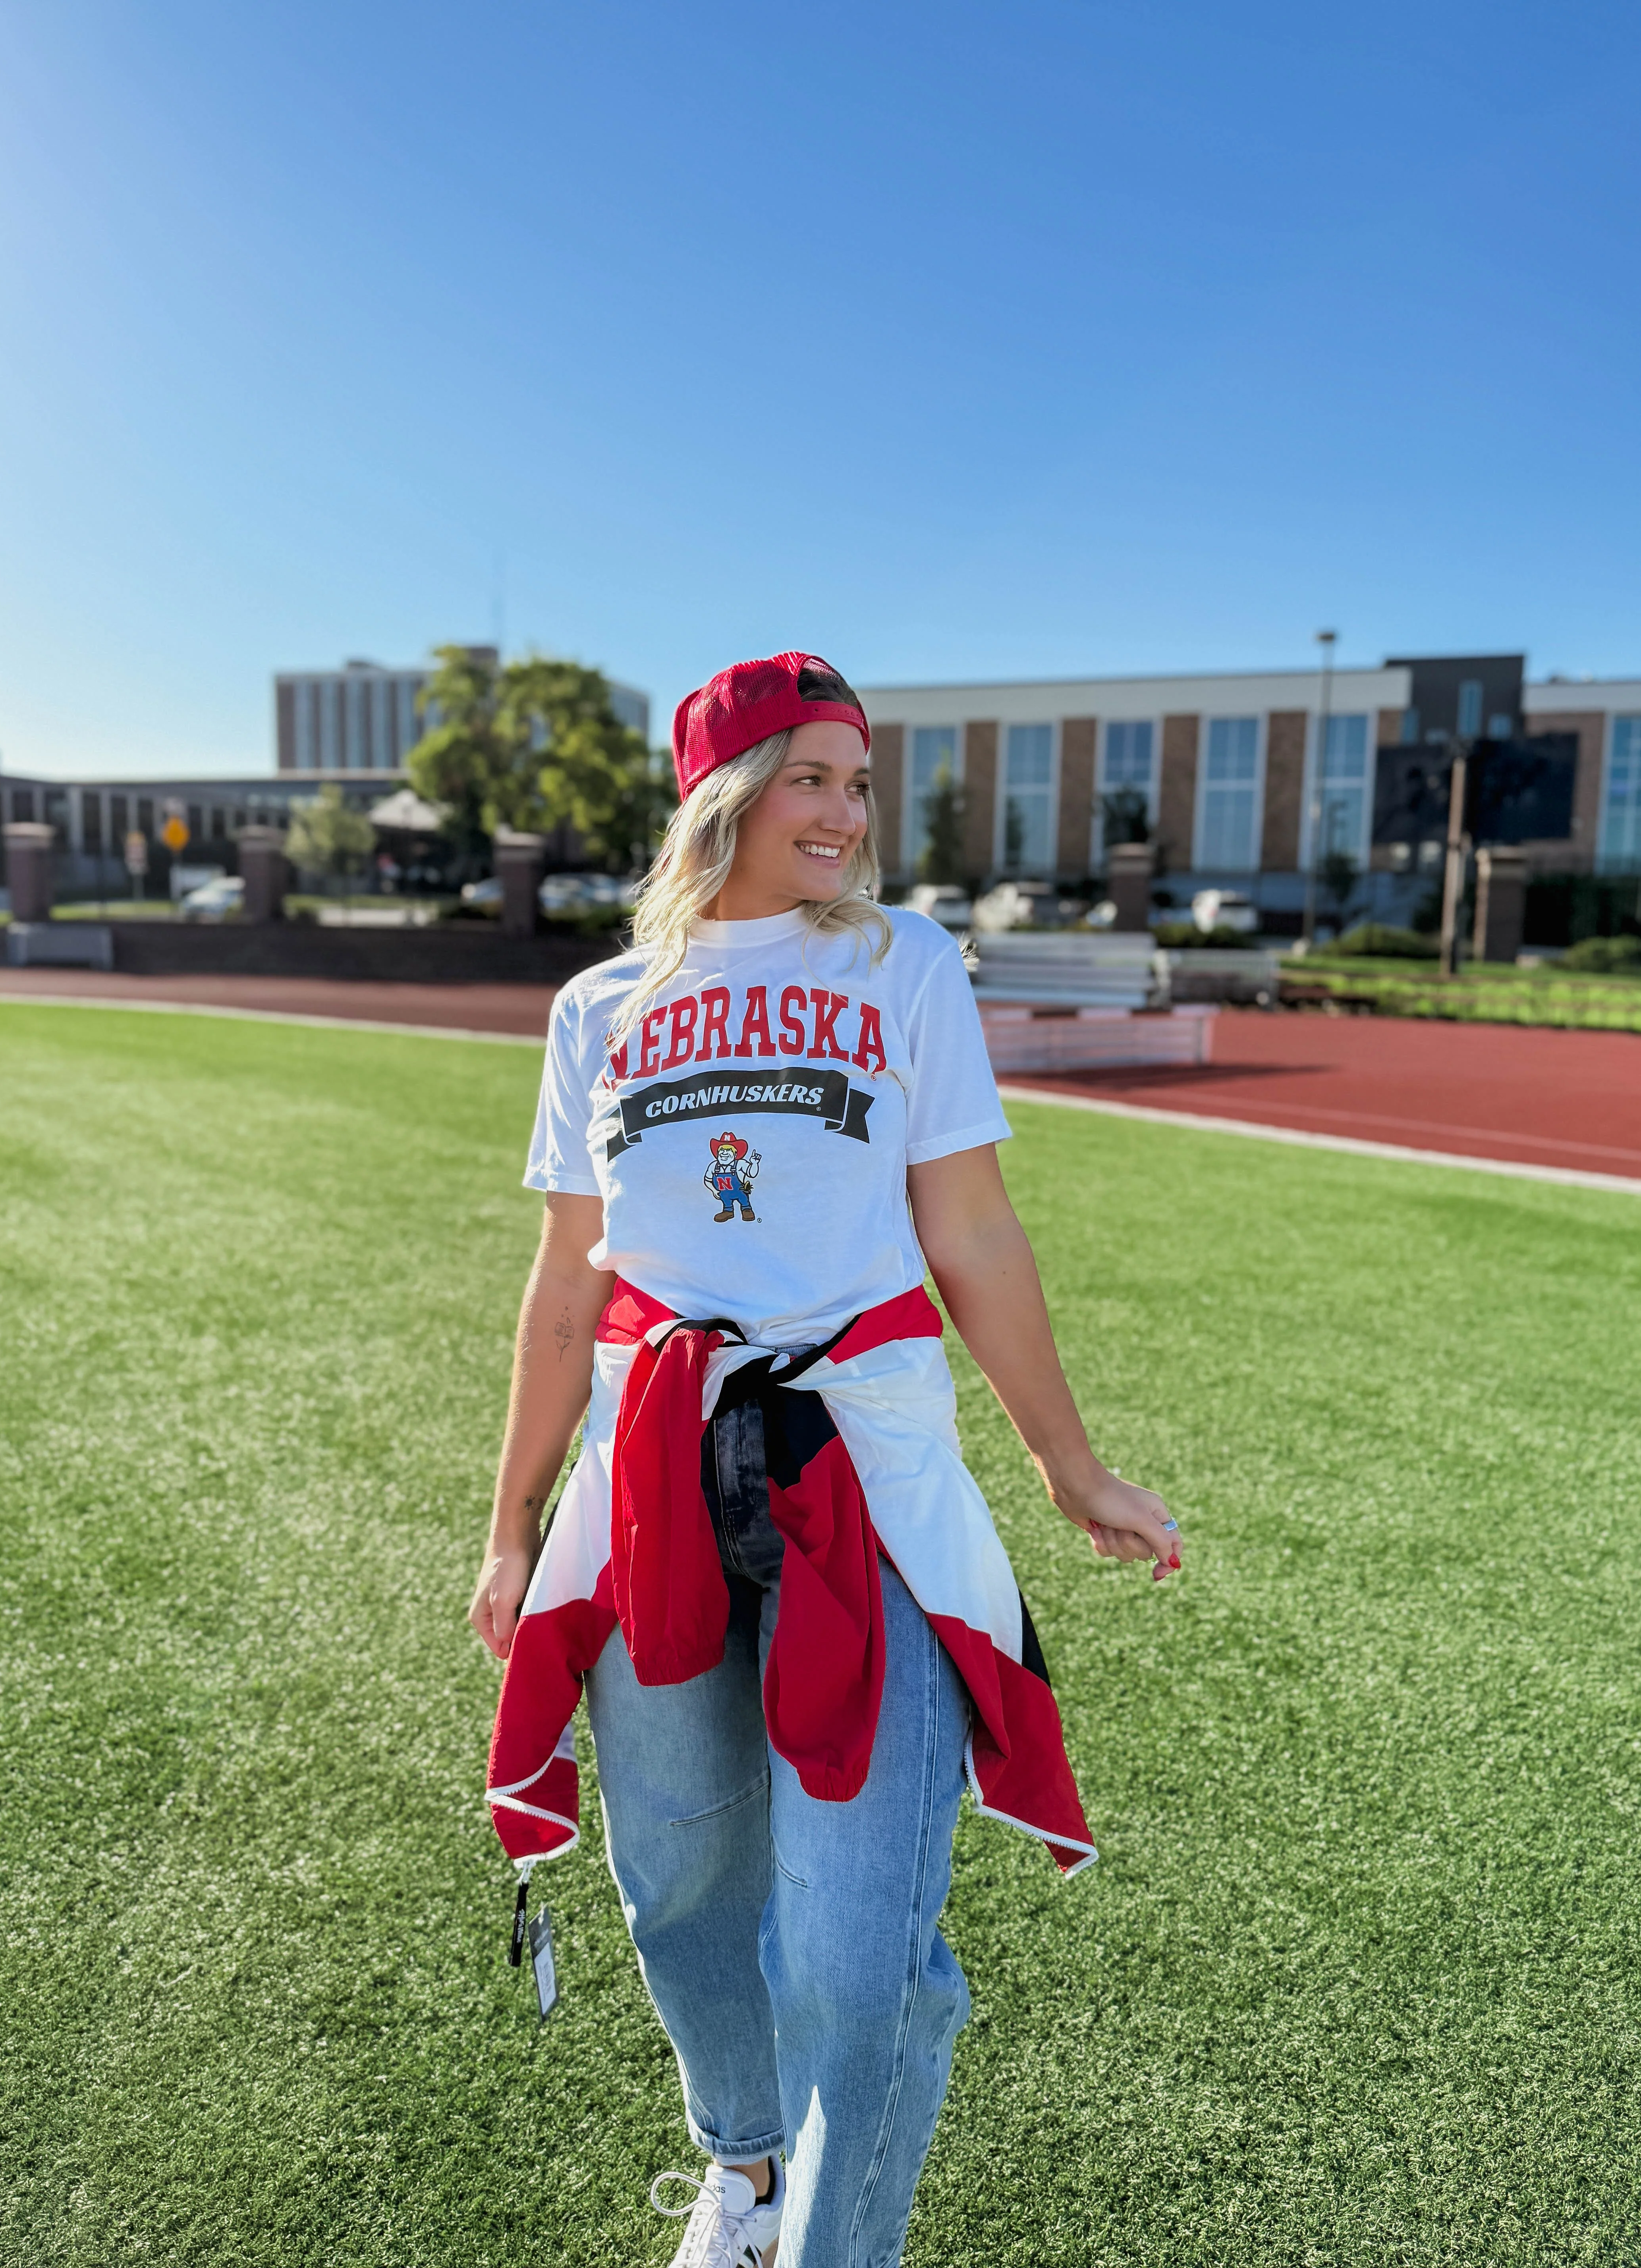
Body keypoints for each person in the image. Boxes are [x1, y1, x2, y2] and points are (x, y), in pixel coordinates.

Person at [471, 652, 1180, 2268]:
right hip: (653, 1481)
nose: (848, 816)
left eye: (861, 786)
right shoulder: (603, 1009)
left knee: (862, 1961)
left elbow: (975, 1232)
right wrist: (513, 1523)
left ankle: (830, 2248)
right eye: (814, 780)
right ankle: (744, 2163)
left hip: (864, 1474)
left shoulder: (906, 965)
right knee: (681, 1883)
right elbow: (567, 1288)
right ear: (724, 794)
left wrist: (1069, 1466)